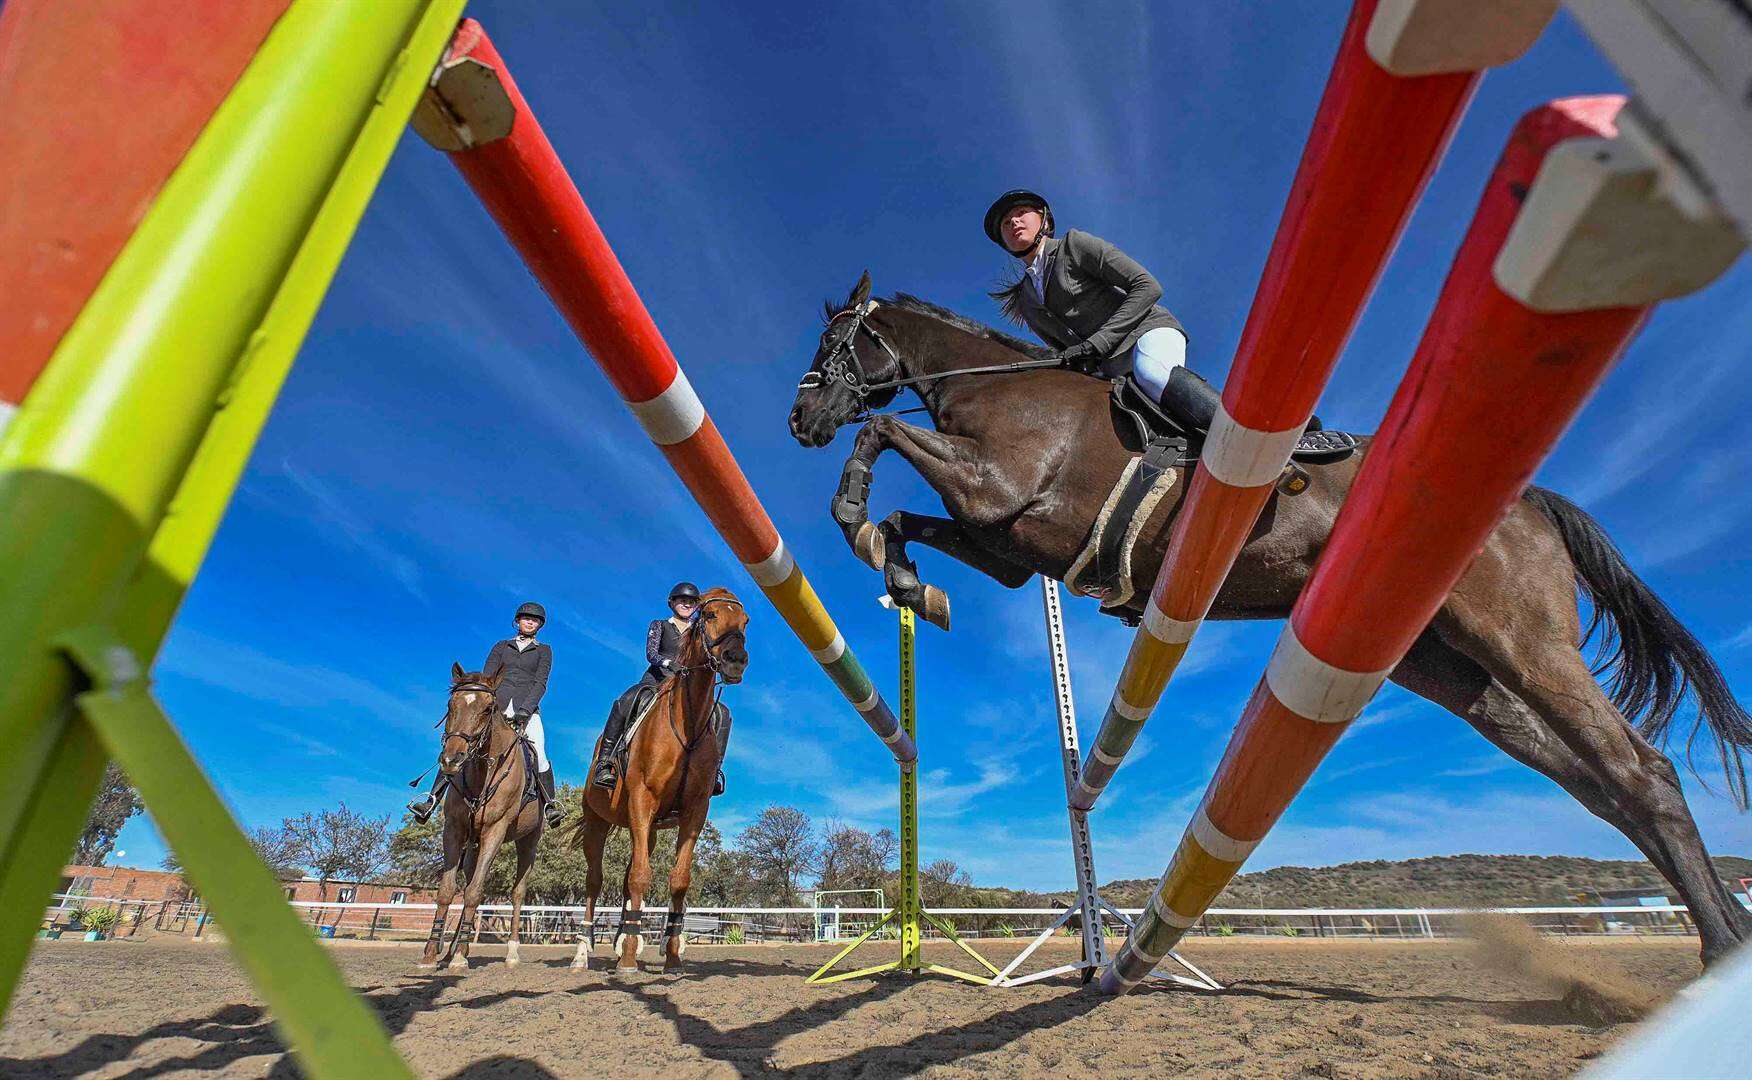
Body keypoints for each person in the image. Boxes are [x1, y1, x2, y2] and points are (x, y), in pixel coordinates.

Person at [983, 188, 1329, 447]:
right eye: (1005, 223)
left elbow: (1147, 286)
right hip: (1109, 368)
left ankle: (1258, 436)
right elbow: (1067, 352)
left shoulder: (1076, 244)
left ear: (1044, 218)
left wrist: (1097, 343)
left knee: (1153, 373)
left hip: (1147, 331)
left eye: (1022, 212)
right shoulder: (1026, 301)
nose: (1014, 221)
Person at [408, 602, 564, 829]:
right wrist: (484, 704)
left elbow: (540, 684)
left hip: (527, 710)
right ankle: (432, 799)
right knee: (462, 746)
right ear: (518, 621)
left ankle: (550, 805)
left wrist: (525, 711)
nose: (530, 622)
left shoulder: (544, 650)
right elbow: (488, 677)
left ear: (539, 625)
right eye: (526, 618)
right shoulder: (501, 646)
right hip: (494, 707)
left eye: (534, 620)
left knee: (539, 752)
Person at [591, 582, 725, 795]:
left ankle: (714, 770)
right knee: (625, 701)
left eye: (691, 601)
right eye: (682, 600)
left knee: (722, 713)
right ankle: (605, 762)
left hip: (687, 686)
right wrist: (668, 663)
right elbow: (651, 654)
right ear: (672, 603)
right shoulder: (660, 625)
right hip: (658, 679)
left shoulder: (700, 630)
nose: (686, 604)